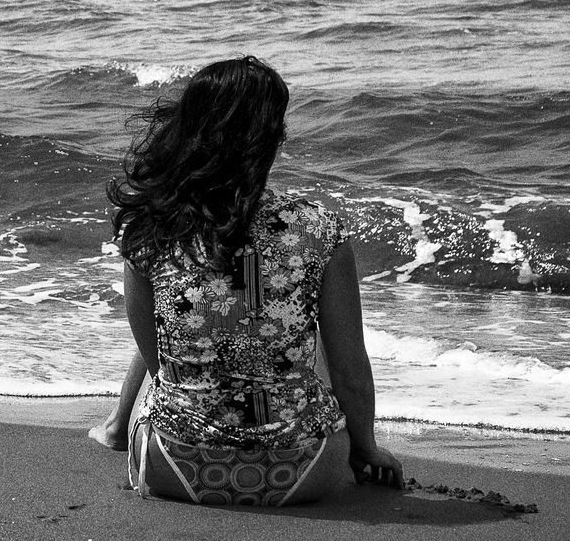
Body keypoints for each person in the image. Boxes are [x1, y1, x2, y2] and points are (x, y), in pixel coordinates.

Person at [90, 56, 402, 506]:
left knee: (180, 339)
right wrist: (367, 449)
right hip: (304, 469)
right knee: (310, 343)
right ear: (273, 139)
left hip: (174, 467)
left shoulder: (148, 228)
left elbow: (157, 362)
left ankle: (114, 429)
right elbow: (350, 371)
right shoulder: (319, 230)